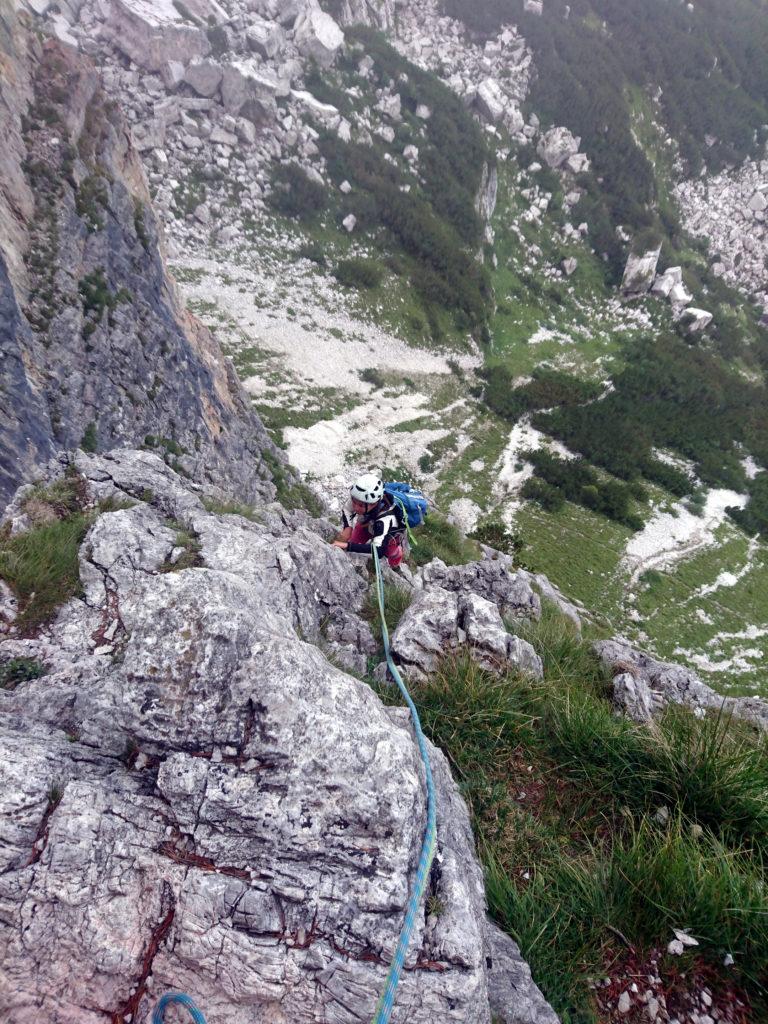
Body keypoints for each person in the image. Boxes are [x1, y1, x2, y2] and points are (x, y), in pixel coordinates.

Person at [332, 472, 407, 568]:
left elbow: (379, 551)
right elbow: (347, 509)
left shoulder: (385, 519)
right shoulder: (361, 498)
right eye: (354, 502)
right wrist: (348, 527)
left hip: (388, 534)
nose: (355, 507)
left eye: (360, 505)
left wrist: (348, 546)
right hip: (366, 524)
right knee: (352, 544)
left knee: (390, 552)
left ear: (374, 503)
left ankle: (396, 560)